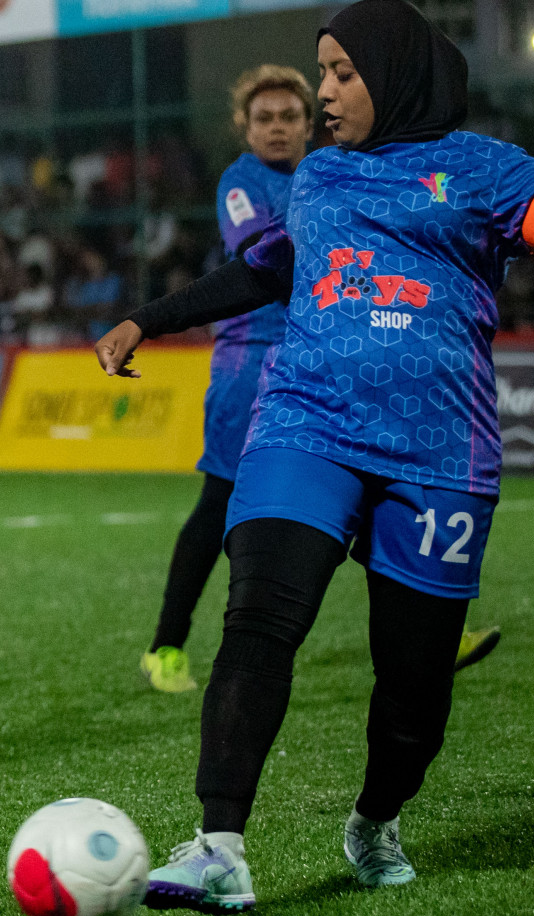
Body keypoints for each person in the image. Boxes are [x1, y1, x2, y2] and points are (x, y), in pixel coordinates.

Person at [94, 0, 534, 909]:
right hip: (307, 423)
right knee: (260, 614)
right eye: (322, 71)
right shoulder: (321, 174)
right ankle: (219, 847)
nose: (324, 91)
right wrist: (153, 315)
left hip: (439, 453)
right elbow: (268, 268)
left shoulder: (492, 170)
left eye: (344, 72)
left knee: (415, 684)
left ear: (396, 73)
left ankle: (376, 817)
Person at [140, 65, 315, 693]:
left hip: (315, 353)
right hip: (251, 359)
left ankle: (427, 628)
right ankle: (166, 645)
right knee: (218, 504)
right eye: (264, 118)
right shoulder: (242, 182)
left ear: (308, 124)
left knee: (367, 486)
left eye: (289, 117)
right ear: (244, 127)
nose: (276, 127)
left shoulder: (322, 176)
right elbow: (257, 253)